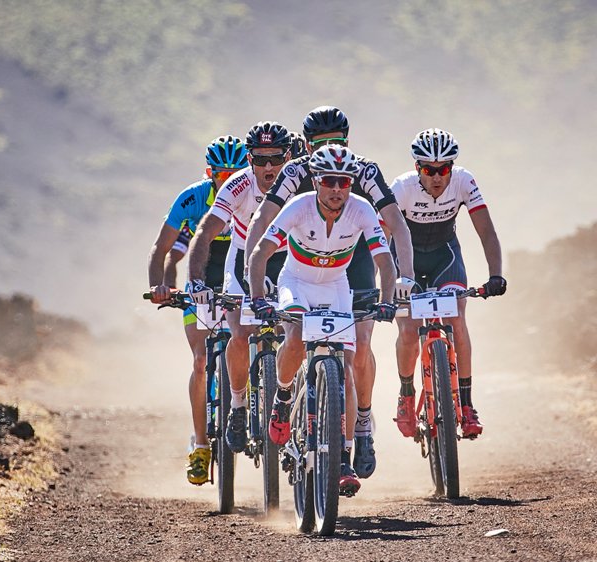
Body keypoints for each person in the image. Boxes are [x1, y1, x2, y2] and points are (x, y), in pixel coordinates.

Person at [244, 106, 416, 480]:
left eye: (338, 143)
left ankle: (362, 429)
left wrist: (403, 281)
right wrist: (253, 284)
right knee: (294, 333)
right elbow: (261, 223)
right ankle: (285, 397)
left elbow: (396, 228)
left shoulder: (363, 175)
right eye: (321, 145)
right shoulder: (295, 176)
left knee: (359, 346)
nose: (337, 184)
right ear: (305, 147)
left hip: (346, 262)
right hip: (300, 253)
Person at [389, 128, 506, 440]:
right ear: (418, 168)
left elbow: (487, 232)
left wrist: (496, 274)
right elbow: (378, 238)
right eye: (429, 170)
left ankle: (466, 405)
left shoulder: (464, 181)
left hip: (444, 257)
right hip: (406, 260)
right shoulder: (401, 188)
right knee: (410, 330)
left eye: (444, 169)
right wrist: (388, 284)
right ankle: (406, 395)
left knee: (456, 320)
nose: (438, 177)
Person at [185, 121, 292, 454]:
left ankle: (300, 404)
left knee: (296, 331)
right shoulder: (238, 184)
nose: (269, 167)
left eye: (275, 158)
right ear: (249, 159)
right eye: (260, 160)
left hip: (287, 259)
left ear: (288, 156)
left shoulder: (301, 182)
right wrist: (196, 280)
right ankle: (238, 406)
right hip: (242, 258)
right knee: (240, 332)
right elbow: (204, 233)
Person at [146, 135, 246, 485]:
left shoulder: (253, 193)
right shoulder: (190, 199)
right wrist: (160, 286)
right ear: (210, 173)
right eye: (222, 175)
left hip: (239, 275)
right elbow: (162, 249)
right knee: (201, 361)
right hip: (201, 277)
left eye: (238, 172)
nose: (230, 180)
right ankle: (201, 445)